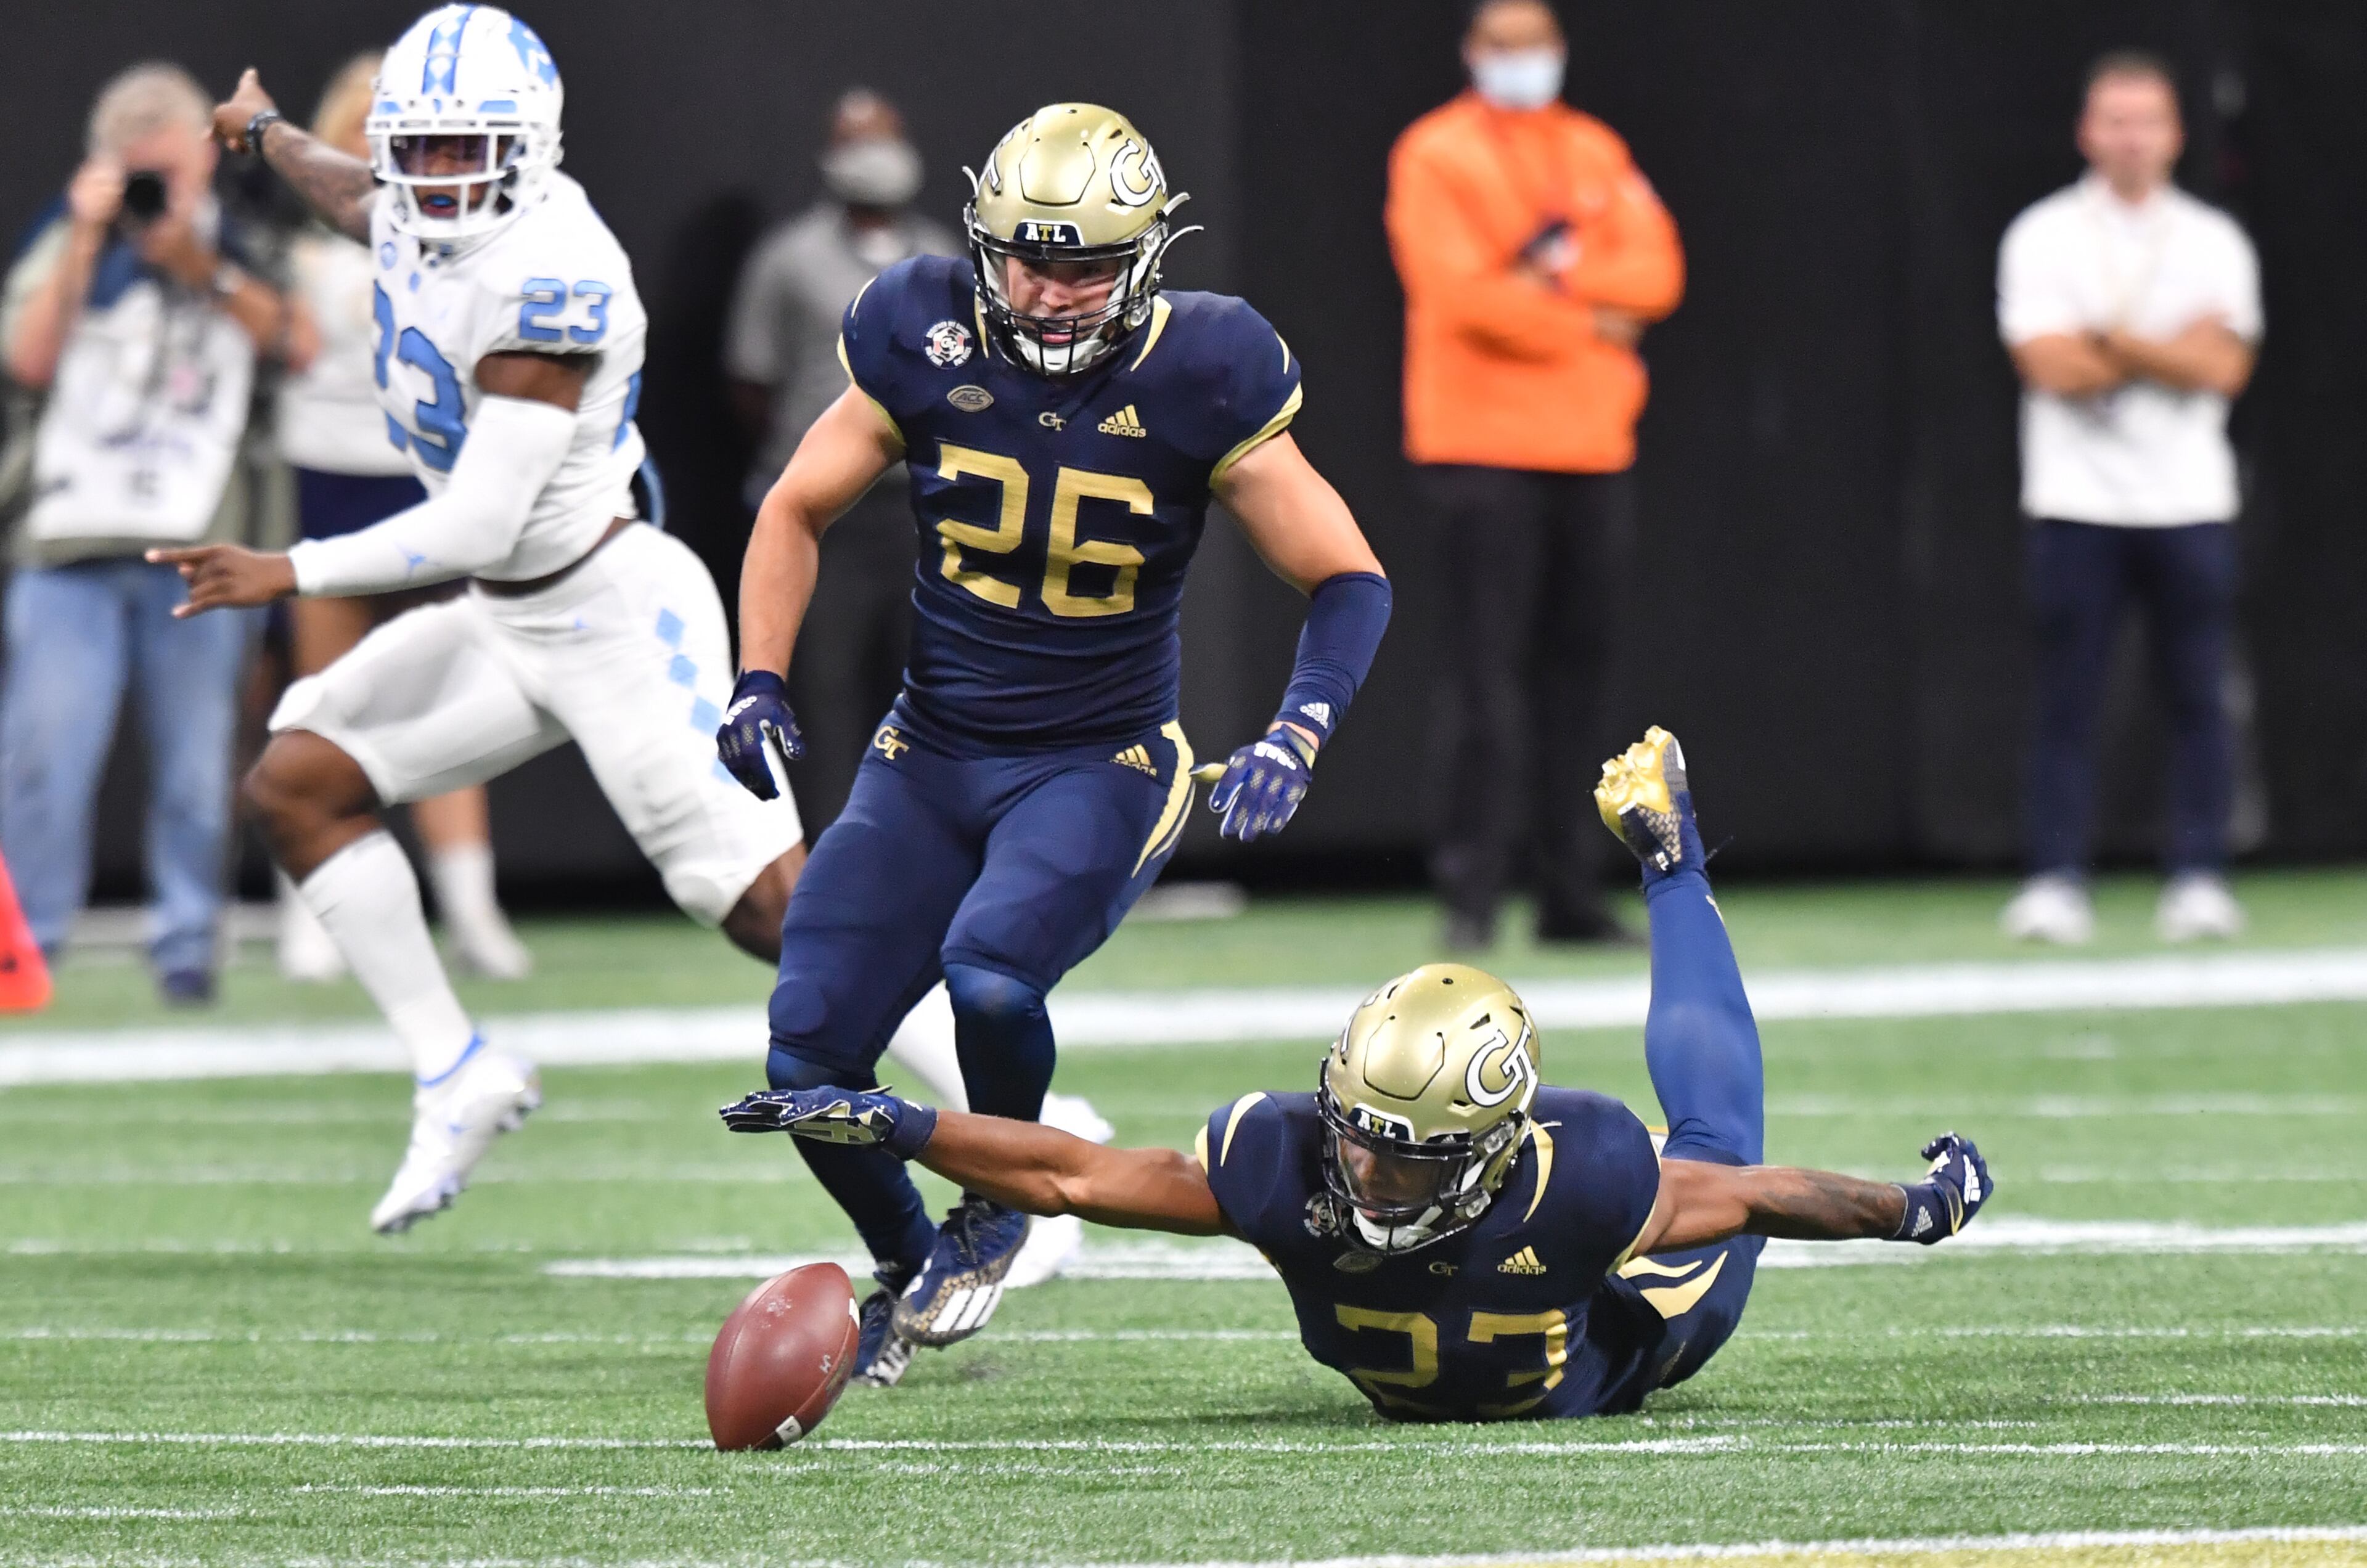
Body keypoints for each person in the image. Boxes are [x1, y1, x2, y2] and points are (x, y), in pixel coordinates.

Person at [145, 6, 939, 1238]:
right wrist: (265, 132)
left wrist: (287, 571)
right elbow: (356, 192)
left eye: (472, 150)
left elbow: (478, 525)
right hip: (512, 617)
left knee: (777, 913)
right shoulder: (409, 195)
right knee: (297, 780)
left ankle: (1032, 1142)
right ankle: (455, 1070)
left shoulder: (551, 274)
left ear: (531, 149)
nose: (441, 175)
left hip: (610, 604)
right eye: (425, 149)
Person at [726, 727, 1992, 1418]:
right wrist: (894, 1122)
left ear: (1495, 1149)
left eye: (1405, 1149)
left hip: (1632, 1348)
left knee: (1713, 1134)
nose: (1368, 1168)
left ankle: (1670, 857)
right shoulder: (1290, 1161)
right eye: (1360, 1133)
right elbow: (1070, 1172)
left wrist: (1913, 1210)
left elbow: (1759, 1195)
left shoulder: (1587, 1173)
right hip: (1476, 1342)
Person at [717, 102, 1392, 1384]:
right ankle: (909, 1266)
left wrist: (1300, 731)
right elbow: (793, 506)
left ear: (1144, 257)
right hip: (930, 751)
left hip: (1101, 758)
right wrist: (757, 673)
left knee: (989, 974)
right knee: (805, 1055)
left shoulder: (1209, 365)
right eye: (1025, 255)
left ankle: (1004, 1198)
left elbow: (1349, 576)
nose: (1046, 287)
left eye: (1083, 262)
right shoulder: (915, 324)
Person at [1387, 0, 1683, 953]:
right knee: (1484, 680)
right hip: (1479, 446)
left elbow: (1659, 275)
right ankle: (1470, 895)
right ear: (1475, 53)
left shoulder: (1594, 146)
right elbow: (1460, 294)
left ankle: (1571, 893)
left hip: (1594, 447)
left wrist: (1549, 292)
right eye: (1505, 47)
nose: (1525, 62)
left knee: (1580, 683)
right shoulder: (1436, 153)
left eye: (1538, 45)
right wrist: (1588, 317)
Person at [0, 62, 293, 1005]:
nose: (154, 191)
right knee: (43, 757)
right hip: (69, 543)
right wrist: (88, 237)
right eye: (138, 173)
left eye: (168, 170)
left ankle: (185, 947)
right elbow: (29, 362)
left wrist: (194, 264)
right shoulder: (67, 236)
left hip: (197, 542)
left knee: (198, 765)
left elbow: (297, 342)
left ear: (203, 161)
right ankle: (27, 951)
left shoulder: (241, 235)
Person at [271, 49, 531, 984]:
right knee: (325, 693)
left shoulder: (472, 239)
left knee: (448, 696)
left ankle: (470, 905)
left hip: (426, 483)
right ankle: (315, 908)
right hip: (328, 476)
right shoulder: (296, 249)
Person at [1995, 51, 2260, 946]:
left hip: (2190, 501)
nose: (2132, 137)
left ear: (2177, 133)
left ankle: (2199, 875)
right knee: (2068, 698)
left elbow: (2223, 365)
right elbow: (2047, 364)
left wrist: (2106, 339)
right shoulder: (2043, 234)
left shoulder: (2213, 242)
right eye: (2115, 119)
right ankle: (2056, 877)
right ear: (2087, 130)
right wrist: (2157, 346)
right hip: (2076, 502)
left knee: (2197, 693)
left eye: (2148, 120)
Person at [724, 89, 959, 830]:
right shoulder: (788, 259)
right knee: (821, 694)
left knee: (932, 690)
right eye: (856, 140)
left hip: (923, 510)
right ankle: (824, 860)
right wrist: (826, 456)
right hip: (827, 515)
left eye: (884, 138)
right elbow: (751, 380)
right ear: (830, 155)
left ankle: (930, 856)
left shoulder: (946, 259)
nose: (874, 156)